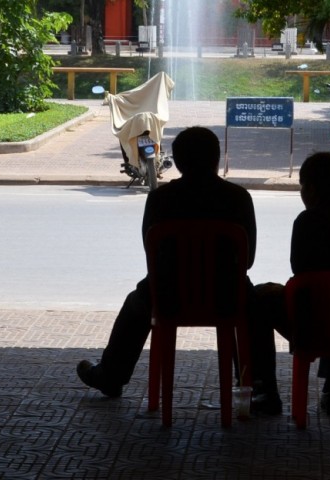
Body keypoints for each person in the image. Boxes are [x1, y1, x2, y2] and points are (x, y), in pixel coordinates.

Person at [77, 126, 257, 397]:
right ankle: (257, 385)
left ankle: (111, 375)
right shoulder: (238, 198)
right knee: (255, 303)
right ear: (217, 160)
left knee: (137, 300)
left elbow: (151, 254)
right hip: (227, 295)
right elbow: (248, 259)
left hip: (169, 296)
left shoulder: (160, 198)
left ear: (179, 162)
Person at [251, 151, 330, 415]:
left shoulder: (306, 221)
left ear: (312, 189)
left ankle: (266, 391)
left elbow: (301, 272)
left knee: (259, 299)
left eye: (302, 185)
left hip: (309, 322)